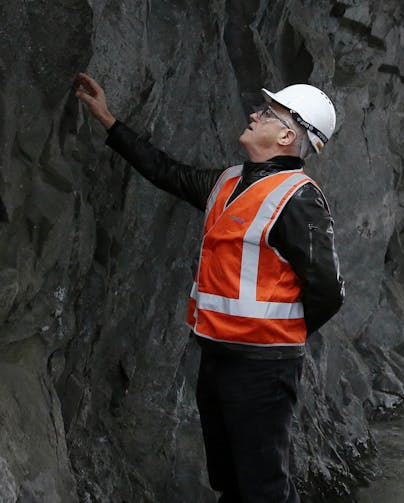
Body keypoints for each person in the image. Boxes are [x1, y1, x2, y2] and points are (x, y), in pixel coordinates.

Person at [75, 72, 345, 503]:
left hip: (262, 367)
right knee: (231, 479)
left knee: (263, 488)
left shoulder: (299, 198)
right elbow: (167, 171)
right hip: (218, 356)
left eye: (268, 112)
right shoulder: (228, 181)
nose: (256, 114)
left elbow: (328, 292)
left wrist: (278, 334)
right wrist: (109, 121)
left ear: (286, 134)